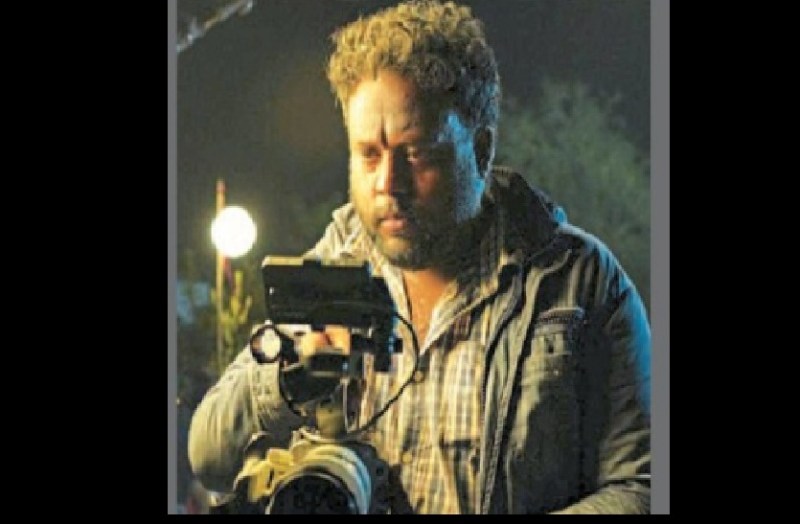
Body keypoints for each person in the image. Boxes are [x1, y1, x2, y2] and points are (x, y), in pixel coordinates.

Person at [188, 0, 651, 514]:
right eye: (369, 154)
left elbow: (642, 486)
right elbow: (208, 455)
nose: (389, 184)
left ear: (481, 150)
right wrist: (289, 379)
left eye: (417, 153)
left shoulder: (579, 280)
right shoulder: (331, 269)